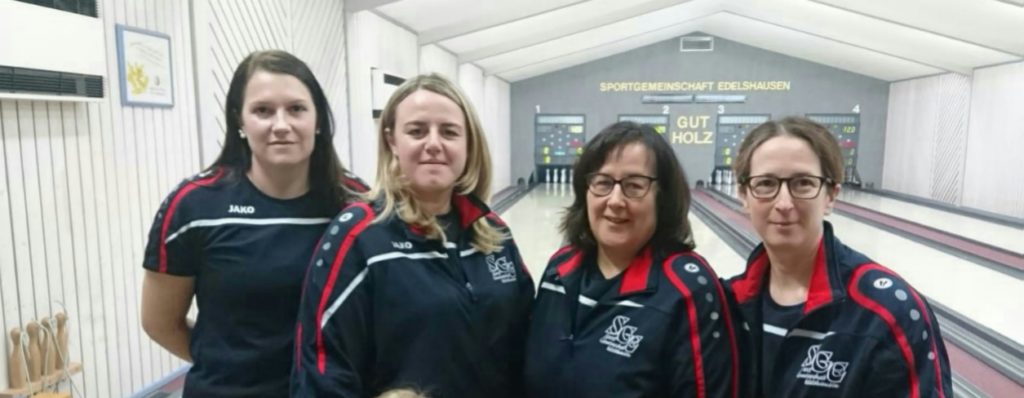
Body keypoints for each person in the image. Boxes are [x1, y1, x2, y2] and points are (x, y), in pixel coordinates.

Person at [291, 73, 535, 397]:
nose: (433, 144)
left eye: (449, 132)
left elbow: (528, 346)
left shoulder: (493, 233)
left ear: (468, 144)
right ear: (392, 140)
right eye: (417, 131)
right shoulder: (360, 235)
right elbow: (322, 367)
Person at [140, 50, 367, 397]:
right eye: (263, 111)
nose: (281, 125)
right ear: (240, 121)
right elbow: (160, 322)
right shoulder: (193, 206)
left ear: (318, 118)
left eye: (296, 109)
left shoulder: (356, 206)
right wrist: (226, 365)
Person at [726, 116, 951, 396]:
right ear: (744, 195)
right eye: (766, 183)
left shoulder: (890, 310)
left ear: (830, 196)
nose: (783, 203)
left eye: (803, 183)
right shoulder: (726, 303)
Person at [524, 121, 745, 398]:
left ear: (661, 197)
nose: (615, 200)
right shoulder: (560, 268)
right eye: (603, 183)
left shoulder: (688, 289)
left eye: (634, 185)